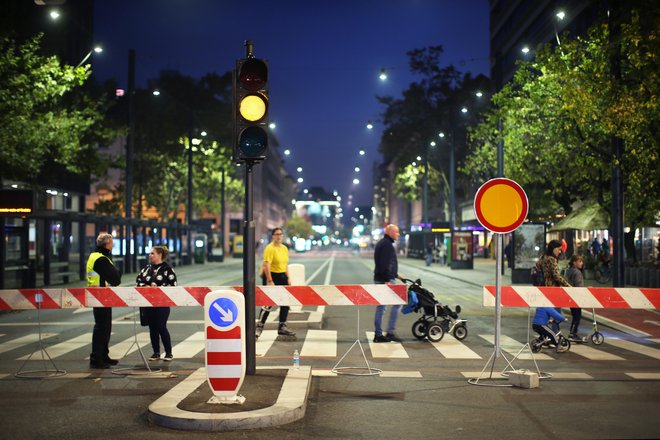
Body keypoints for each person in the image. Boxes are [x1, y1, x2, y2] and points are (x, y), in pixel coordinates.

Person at [87, 232, 122, 369]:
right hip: (99, 296)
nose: (113, 244)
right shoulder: (100, 259)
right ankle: (96, 358)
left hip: (102, 296)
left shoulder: (96, 256)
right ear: (107, 244)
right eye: (112, 242)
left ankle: (103, 356)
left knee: (105, 327)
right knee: (102, 327)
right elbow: (116, 279)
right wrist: (117, 272)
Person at [136, 246, 177, 361]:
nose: (150, 255)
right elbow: (138, 281)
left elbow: (173, 285)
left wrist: (158, 289)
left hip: (162, 304)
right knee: (152, 328)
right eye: (150, 253)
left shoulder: (167, 269)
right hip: (148, 304)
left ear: (160, 255)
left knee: (161, 326)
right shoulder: (146, 269)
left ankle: (168, 353)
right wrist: (147, 287)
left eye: (152, 253)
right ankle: (156, 352)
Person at [256, 228, 295, 338]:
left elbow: (285, 264)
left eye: (280, 234)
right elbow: (266, 265)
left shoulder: (284, 248)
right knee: (268, 304)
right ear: (273, 236)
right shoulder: (269, 248)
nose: (279, 237)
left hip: (282, 276)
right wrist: (269, 280)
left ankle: (282, 327)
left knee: (285, 303)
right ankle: (259, 328)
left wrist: (288, 278)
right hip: (272, 276)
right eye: (276, 234)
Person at [373, 224, 405, 343]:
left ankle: (380, 334)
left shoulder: (384, 243)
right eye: (396, 232)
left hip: (384, 278)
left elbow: (386, 264)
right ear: (390, 232)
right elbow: (383, 264)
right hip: (385, 280)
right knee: (394, 304)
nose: (398, 234)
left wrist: (396, 275)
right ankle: (387, 333)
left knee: (382, 307)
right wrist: (387, 279)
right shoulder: (387, 245)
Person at [565, 254, 585, 340]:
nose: (582, 263)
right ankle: (573, 333)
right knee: (577, 316)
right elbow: (578, 286)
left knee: (575, 315)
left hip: (570, 297)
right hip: (576, 297)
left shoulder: (568, 271)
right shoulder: (577, 272)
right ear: (574, 263)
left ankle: (572, 333)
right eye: (579, 261)